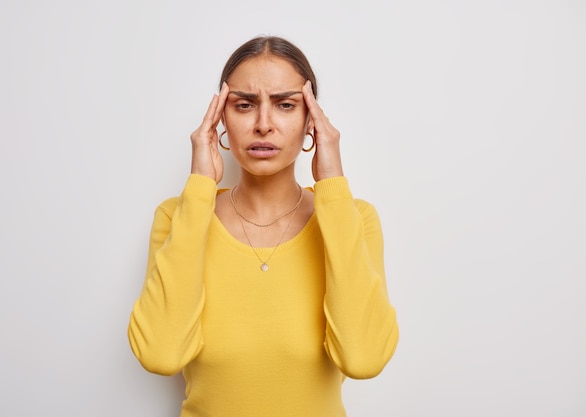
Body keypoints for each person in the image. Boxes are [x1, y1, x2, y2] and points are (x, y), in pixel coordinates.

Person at [128, 35, 399, 417]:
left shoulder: (353, 218)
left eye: (286, 105)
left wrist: (332, 184)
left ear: (311, 122)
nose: (263, 125)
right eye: (244, 105)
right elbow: (161, 354)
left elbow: (364, 359)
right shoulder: (178, 216)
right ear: (221, 118)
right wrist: (200, 189)